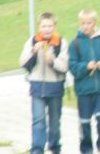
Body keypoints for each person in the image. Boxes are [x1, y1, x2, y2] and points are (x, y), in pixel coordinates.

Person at [68, 9, 100, 154]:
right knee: (84, 122)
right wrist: (85, 66)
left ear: (95, 23)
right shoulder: (75, 44)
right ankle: (86, 149)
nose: (85, 26)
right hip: (83, 90)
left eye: (89, 23)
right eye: (83, 23)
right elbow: (72, 67)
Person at [19, 12, 68, 154]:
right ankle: (37, 149)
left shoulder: (61, 42)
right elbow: (22, 63)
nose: (47, 29)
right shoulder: (32, 41)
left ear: (55, 27)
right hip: (37, 86)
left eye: (50, 26)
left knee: (54, 123)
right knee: (38, 121)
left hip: (55, 87)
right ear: (39, 27)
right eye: (44, 26)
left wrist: (52, 61)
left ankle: (54, 148)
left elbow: (65, 66)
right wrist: (33, 52)